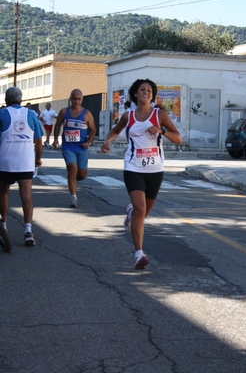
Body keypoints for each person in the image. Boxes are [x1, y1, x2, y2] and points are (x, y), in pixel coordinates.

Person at [101, 79, 182, 270]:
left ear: (153, 95)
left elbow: (178, 138)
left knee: (143, 213)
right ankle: (139, 254)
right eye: (142, 90)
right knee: (140, 208)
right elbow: (115, 131)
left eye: (149, 90)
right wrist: (107, 142)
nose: (145, 92)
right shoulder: (128, 116)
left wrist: (161, 130)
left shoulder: (159, 114)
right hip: (133, 167)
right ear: (135, 94)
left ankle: (130, 212)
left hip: (155, 169)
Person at [0, 87, 43, 250]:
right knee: (26, 194)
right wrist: (38, 158)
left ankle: (3, 225)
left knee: (3, 192)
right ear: (21, 100)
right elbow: (38, 141)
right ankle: (28, 230)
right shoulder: (31, 114)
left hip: (5, 161)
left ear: (6, 100)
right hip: (25, 162)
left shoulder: (2, 114)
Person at [53, 89, 96, 208]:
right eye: (74, 99)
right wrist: (56, 139)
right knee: (72, 168)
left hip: (81, 147)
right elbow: (57, 126)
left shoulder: (87, 114)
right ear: (70, 99)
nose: (76, 101)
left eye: (79, 99)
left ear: (82, 100)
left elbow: (93, 130)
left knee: (81, 174)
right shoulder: (63, 112)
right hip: (68, 146)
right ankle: (73, 197)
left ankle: (72, 179)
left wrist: (88, 142)